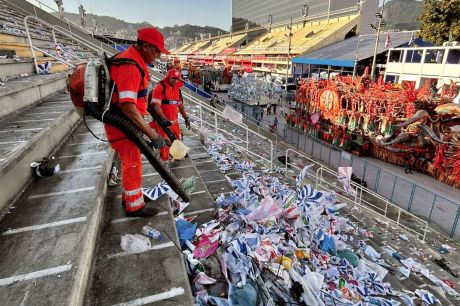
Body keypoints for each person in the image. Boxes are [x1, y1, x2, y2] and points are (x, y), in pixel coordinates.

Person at [104, 27, 168, 218]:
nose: (158, 56)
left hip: (128, 124)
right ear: (146, 46)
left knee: (132, 163)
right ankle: (134, 207)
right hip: (124, 125)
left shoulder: (134, 60)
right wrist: (153, 135)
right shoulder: (130, 66)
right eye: (157, 51)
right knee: (132, 165)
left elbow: (137, 99)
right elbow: (129, 108)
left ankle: (132, 197)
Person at [150, 69, 191, 164]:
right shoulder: (160, 87)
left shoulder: (178, 89)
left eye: (177, 79)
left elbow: (180, 105)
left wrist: (186, 118)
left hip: (174, 122)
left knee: (176, 141)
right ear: (168, 77)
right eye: (173, 78)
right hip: (162, 123)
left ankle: (176, 157)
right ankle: (163, 164)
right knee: (164, 145)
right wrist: (163, 118)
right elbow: (156, 105)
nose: (175, 80)